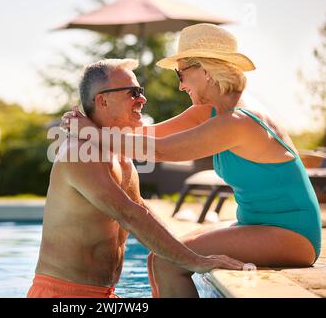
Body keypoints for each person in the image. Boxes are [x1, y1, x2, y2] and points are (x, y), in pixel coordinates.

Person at [62, 24, 322, 297]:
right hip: (258, 224)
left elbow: (159, 150)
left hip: (292, 234)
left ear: (206, 71)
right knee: (160, 253)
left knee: (169, 260)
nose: (181, 85)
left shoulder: (237, 120)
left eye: (182, 73)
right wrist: (92, 123)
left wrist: (90, 133)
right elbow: (146, 133)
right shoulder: (212, 110)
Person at [27, 58, 244, 298]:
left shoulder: (119, 153)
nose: (143, 99)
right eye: (133, 93)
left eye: (140, 91)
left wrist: (182, 251)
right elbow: (128, 215)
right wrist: (193, 260)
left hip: (105, 294)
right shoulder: (79, 153)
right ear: (103, 100)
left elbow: (141, 209)